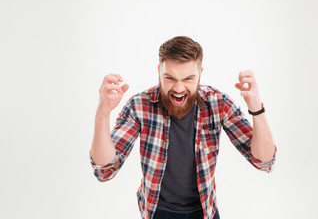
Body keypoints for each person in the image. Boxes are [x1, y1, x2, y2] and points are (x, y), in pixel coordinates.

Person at [90, 36, 277, 219]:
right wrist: (103, 114)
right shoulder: (139, 106)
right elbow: (105, 169)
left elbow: (264, 160)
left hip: (205, 211)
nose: (179, 88)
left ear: (200, 74)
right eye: (170, 78)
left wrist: (256, 108)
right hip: (158, 211)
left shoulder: (218, 103)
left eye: (188, 79)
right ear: (158, 72)